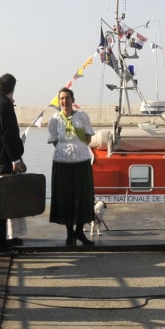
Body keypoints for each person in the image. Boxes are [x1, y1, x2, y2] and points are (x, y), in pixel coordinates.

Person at [47, 87, 96, 247]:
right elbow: (54, 141)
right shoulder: (54, 119)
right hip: (62, 163)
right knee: (65, 197)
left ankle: (79, 231)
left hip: (81, 161)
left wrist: (76, 147)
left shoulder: (82, 116)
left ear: (72, 100)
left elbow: (88, 138)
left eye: (67, 98)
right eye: (61, 98)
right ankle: (70, 233)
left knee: (83, 195)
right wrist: (66, 149)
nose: (64, 101)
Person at [0, 73, 27, 252]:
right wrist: (15, 159)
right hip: (4, 160)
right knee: (1, 203)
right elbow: (8, 135)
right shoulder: (5, 106)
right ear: (13, 88)